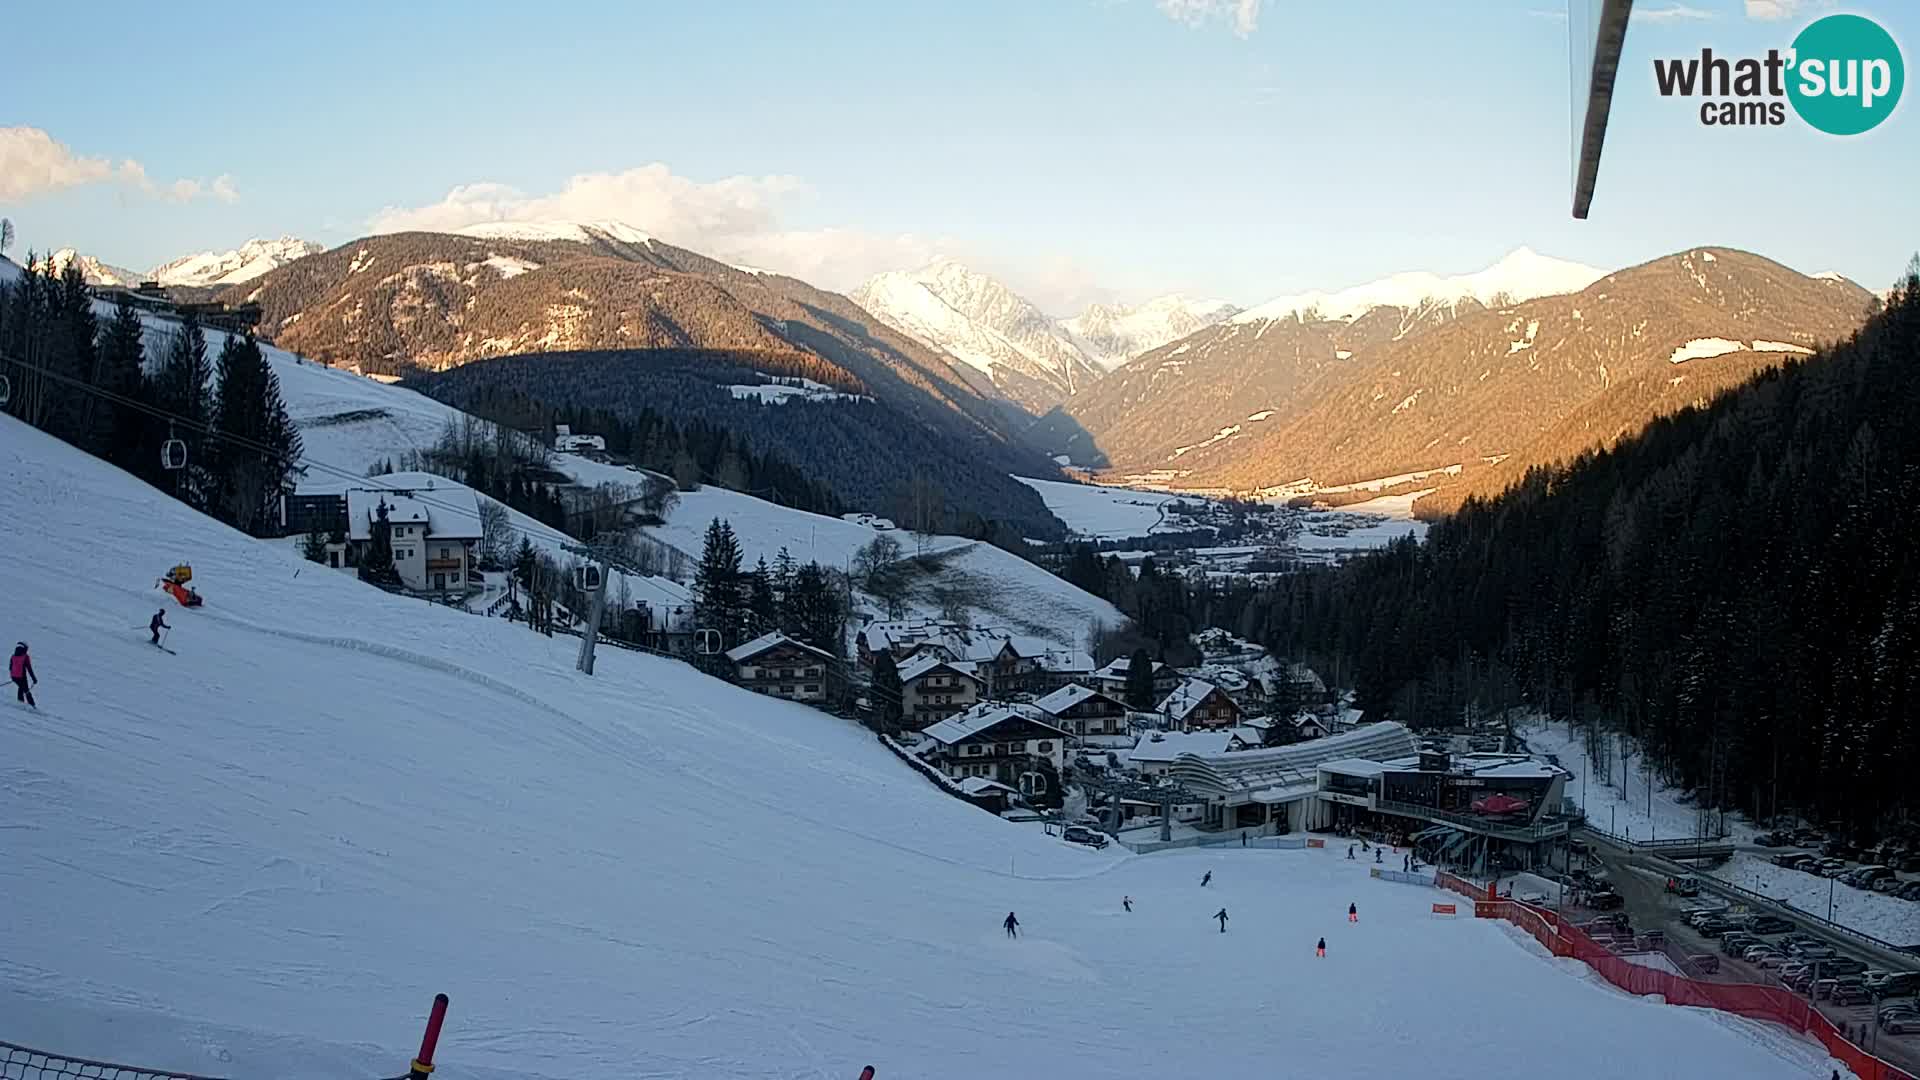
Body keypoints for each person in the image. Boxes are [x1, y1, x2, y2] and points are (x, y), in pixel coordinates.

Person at [10, 642, 36, 708]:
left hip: (14, 677)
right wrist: (34, 678)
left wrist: (13, 676)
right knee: (26, 691)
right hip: (22, 677)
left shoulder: (13, 656)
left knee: (21, 688)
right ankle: (32, 705)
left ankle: (20, 702)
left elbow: (10, 667)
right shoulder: (25, 657)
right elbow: (29, 668)